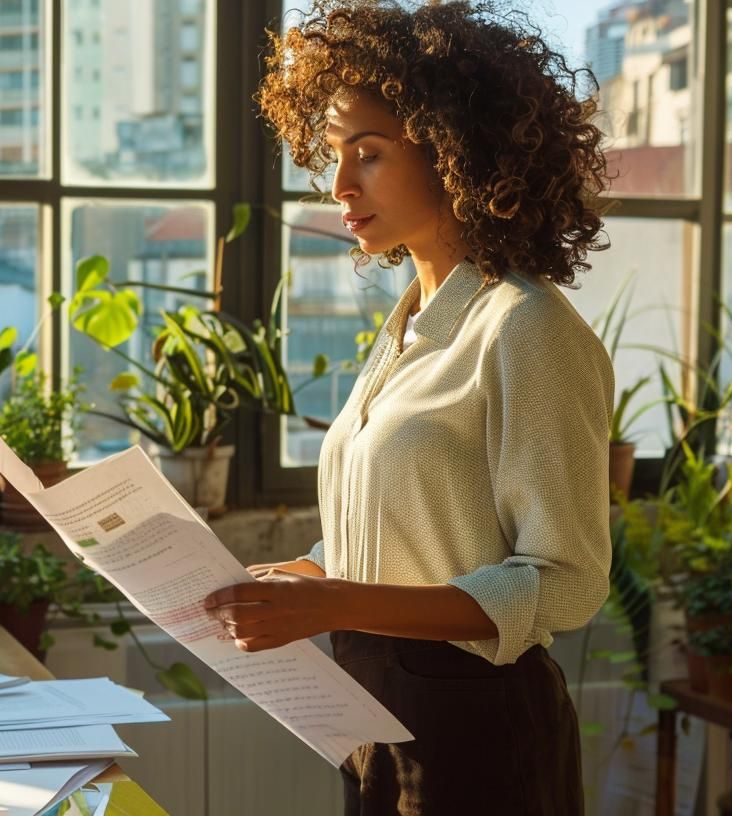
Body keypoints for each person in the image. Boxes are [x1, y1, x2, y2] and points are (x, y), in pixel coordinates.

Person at [201, 1, 615, 813]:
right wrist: (312, 573)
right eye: (333, 155)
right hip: (373, 710)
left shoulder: (525, 327)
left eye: (370, 153)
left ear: (456, 149)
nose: (339, 184)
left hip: (476, 729)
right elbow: (416, 518)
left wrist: (332, 602)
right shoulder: (411, 326)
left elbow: (564, 583)